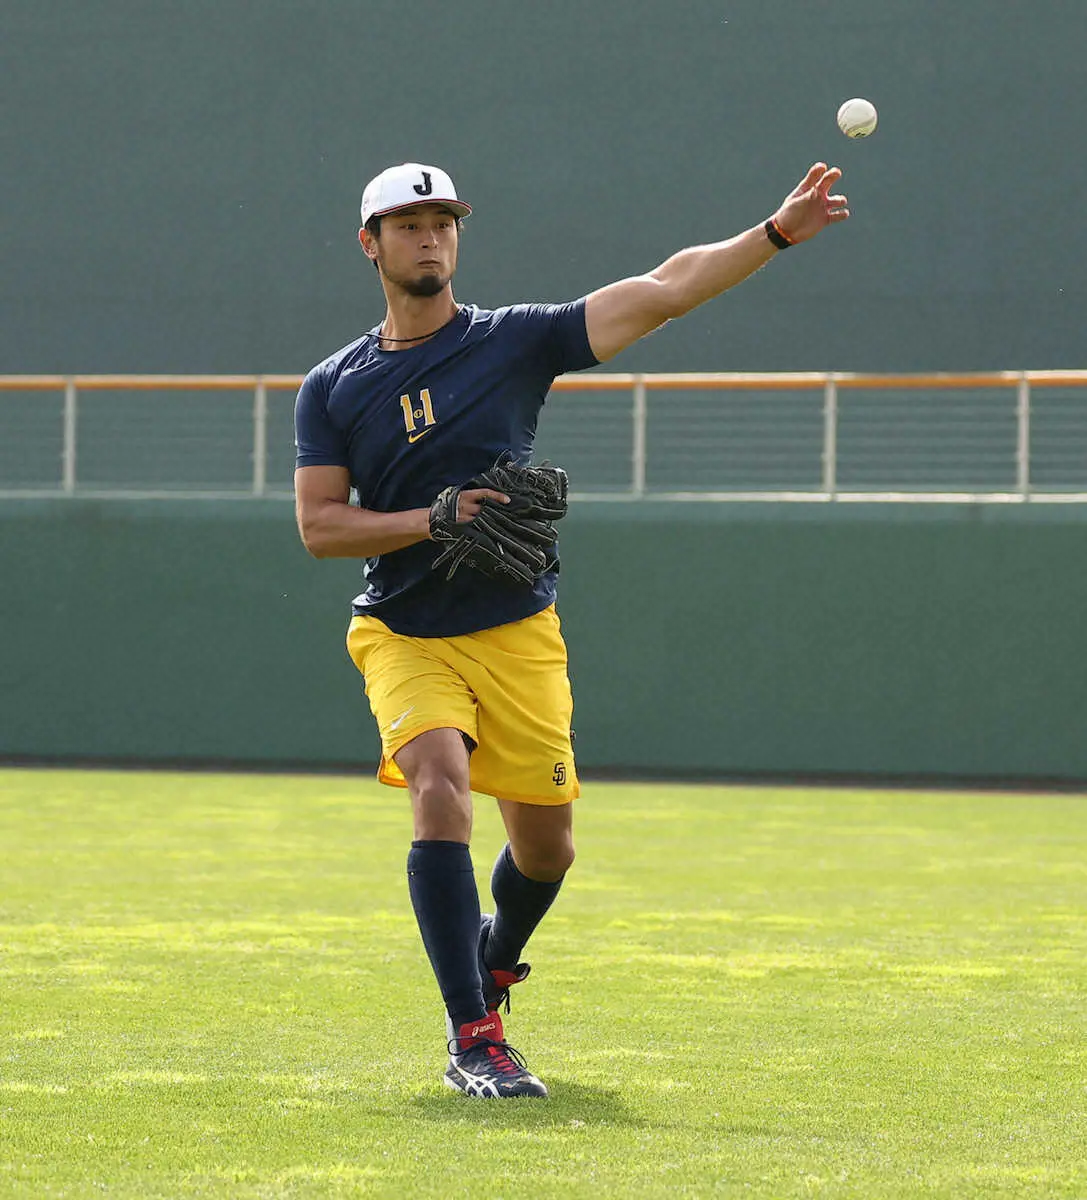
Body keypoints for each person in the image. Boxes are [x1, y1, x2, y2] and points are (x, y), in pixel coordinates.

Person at [293, 160, 849, 1098]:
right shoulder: (334, 385)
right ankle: (475, 1036)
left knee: (547, 848)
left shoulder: (513, 342)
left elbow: (664, 290)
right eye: (406, 224)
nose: (429, 237)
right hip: (404, 628)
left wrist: (776, 233)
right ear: (370, 244)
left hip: (516, 627)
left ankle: (494, 961)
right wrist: (429, 519)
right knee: (440, 785)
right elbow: (320, 528)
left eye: (443, 221)